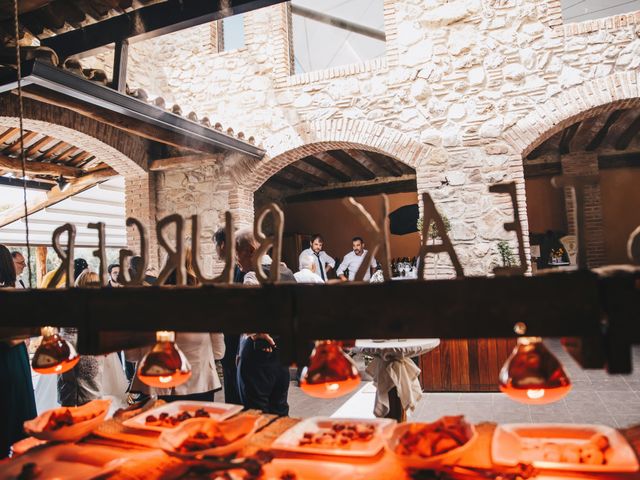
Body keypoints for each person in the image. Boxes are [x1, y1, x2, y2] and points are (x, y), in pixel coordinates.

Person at [235, 228, 294, 415]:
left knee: (256, 415)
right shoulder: (286, 272)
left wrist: (256, 333)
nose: (236, 259)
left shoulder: (253, 277)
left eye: (236, 253)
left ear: (250, 251)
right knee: (280, 410)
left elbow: (246, 316)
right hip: (282, 356)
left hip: (257, 356)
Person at [58, 271, 128, 407]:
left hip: (69, 348)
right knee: (89, 391)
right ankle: (87, 418)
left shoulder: (70, 303)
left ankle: (72, 417)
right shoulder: (95, 304)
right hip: (86, 348)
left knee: (70, 388)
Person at [0, 244, 37, 457]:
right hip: (10, 359)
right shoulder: (10, 294)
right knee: (12, 413)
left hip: (11, 358)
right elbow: (16, 337)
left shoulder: (10, 294)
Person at [214, 227, 244, 405]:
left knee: (235, 387)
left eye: (216, 245)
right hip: (233, 340)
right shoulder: (233, 269)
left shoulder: (237, 270)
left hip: (235, 341)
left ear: (222, 244)